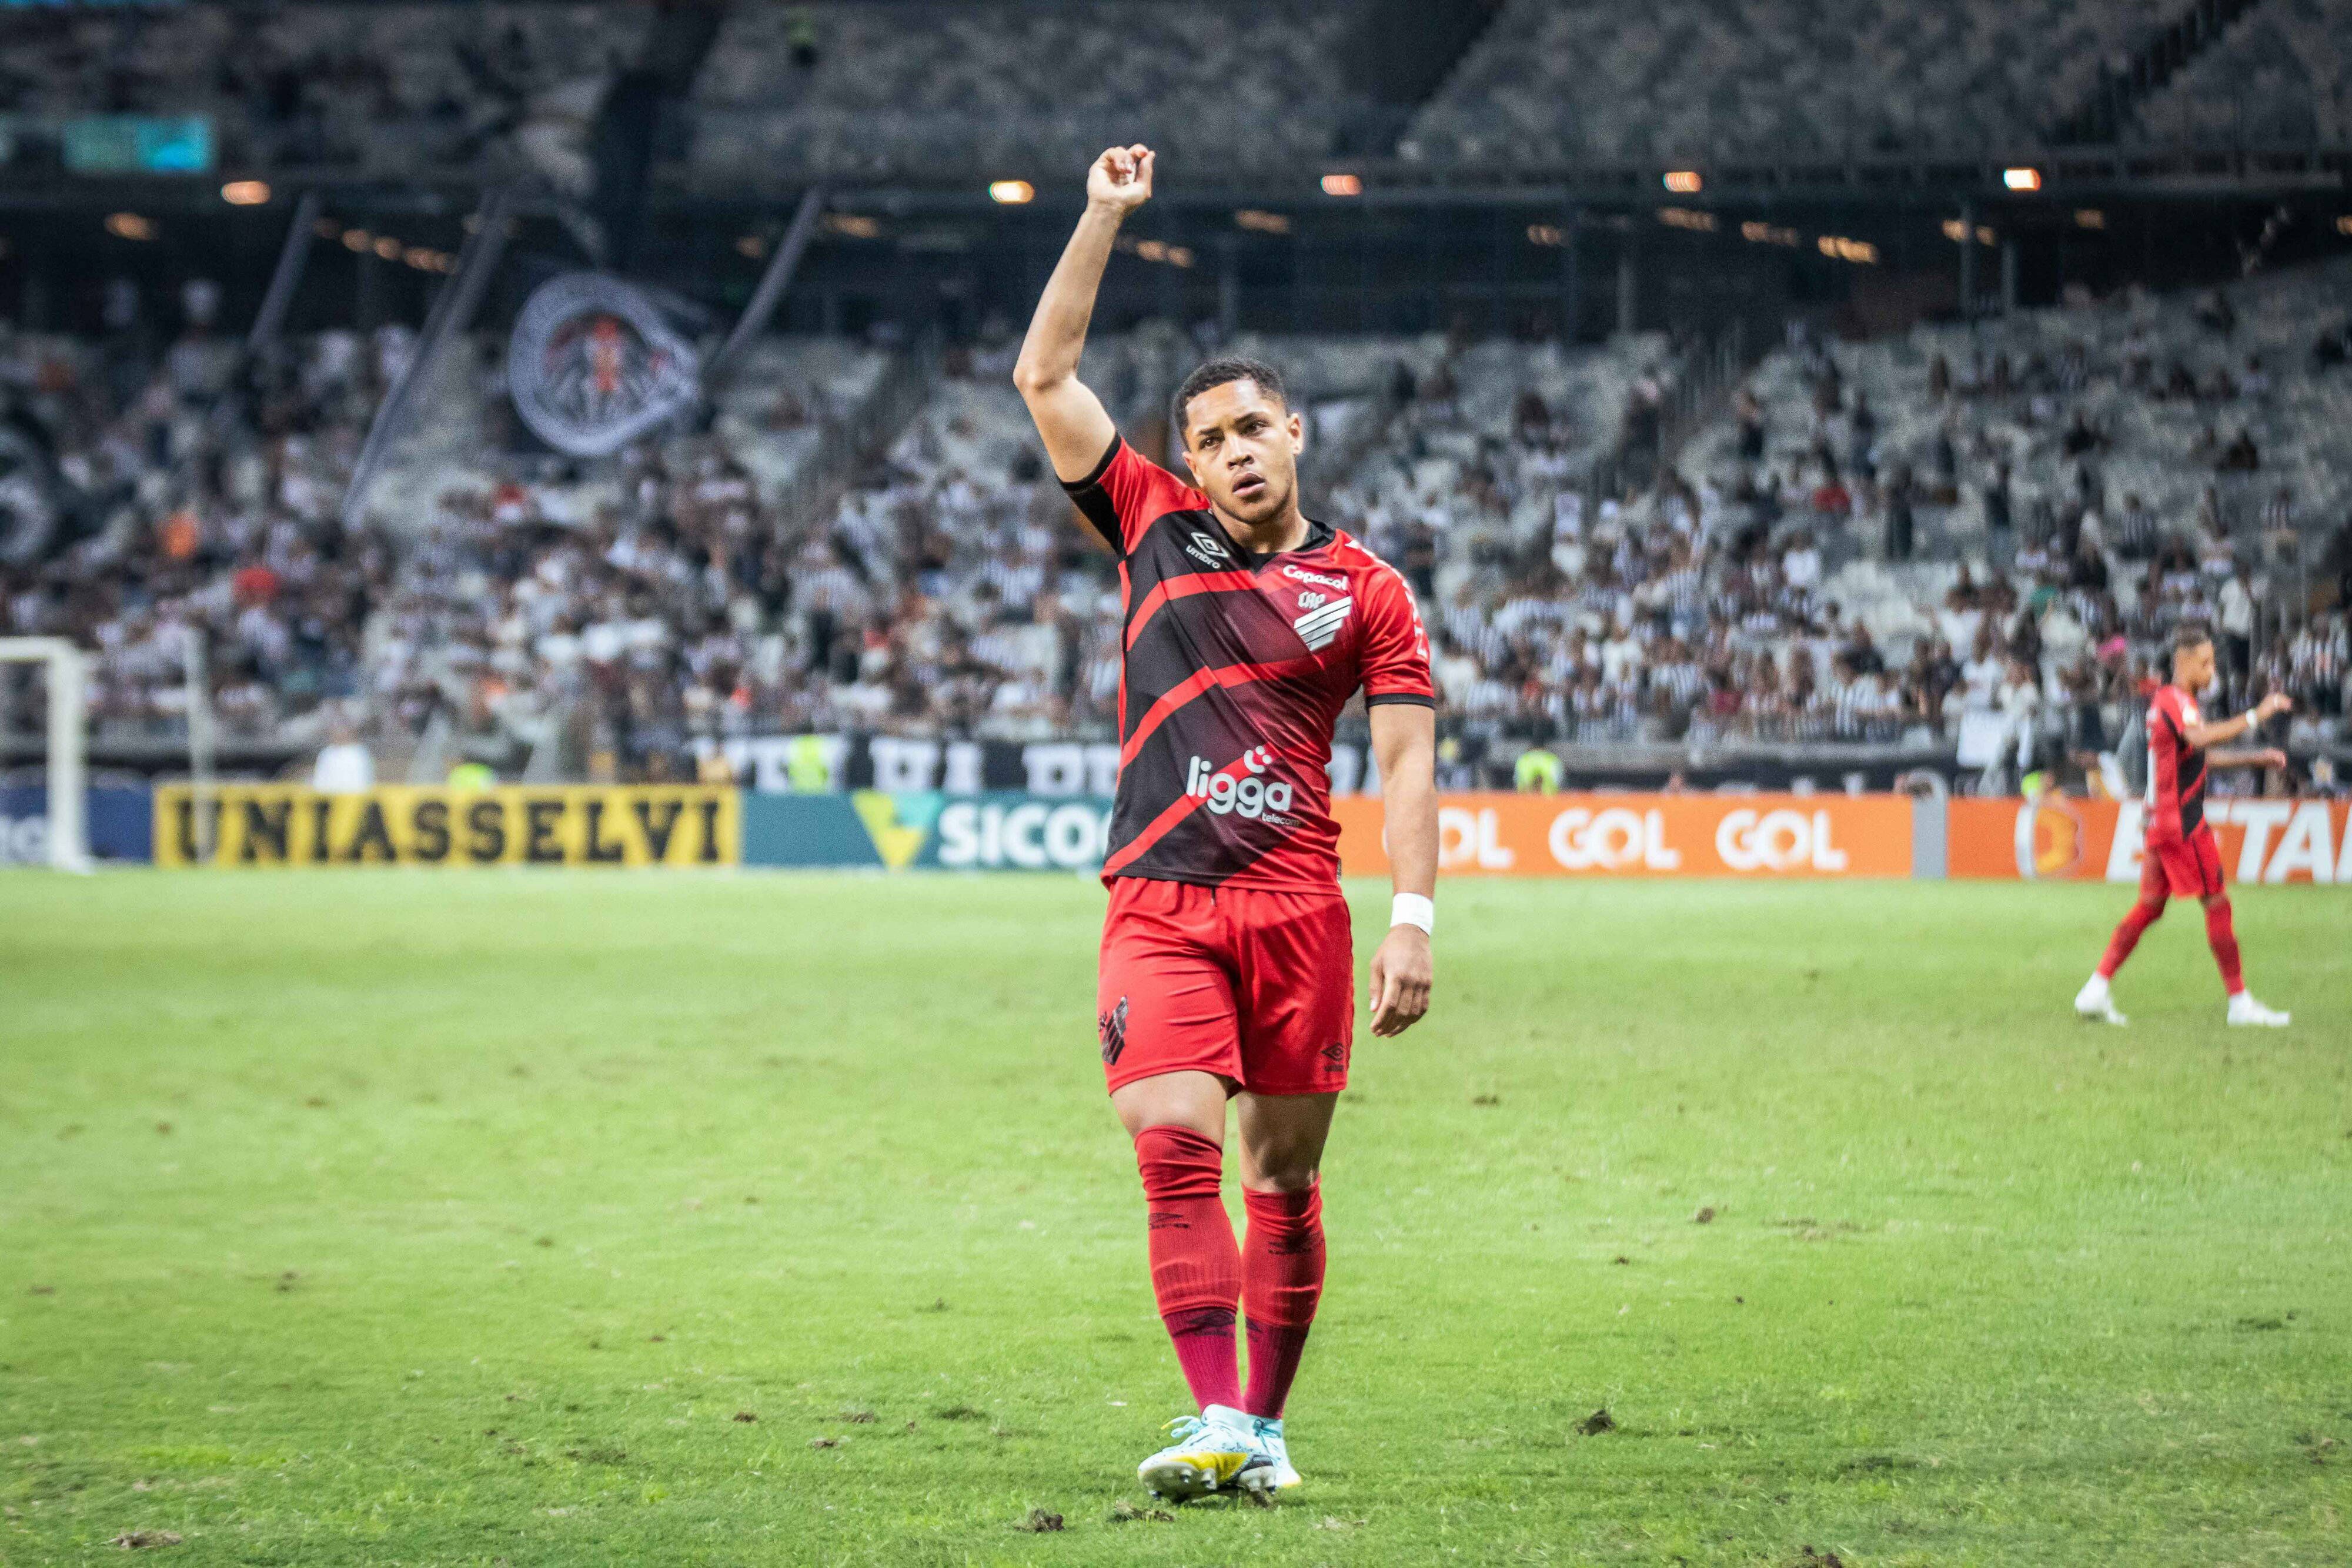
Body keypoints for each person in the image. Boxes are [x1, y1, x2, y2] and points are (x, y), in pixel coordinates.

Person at [1012, 145, 1441, 1500]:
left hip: (1300, 910)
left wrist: (1412, 919)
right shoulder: (1145, 521)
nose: (1232, 452)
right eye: (1207, 439)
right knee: (1170, 1145)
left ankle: (1257, 1425)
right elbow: (1042, 378)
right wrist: (1101, 215)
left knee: (1285, 1182)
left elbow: (1410, 760)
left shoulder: (1366, 589)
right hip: (1158, 901)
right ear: (1183, 462)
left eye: (1252, 427)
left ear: (1294, 433)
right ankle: (1215, 1412)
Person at [2075, 623, 2293, 1028]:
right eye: (2206, 663)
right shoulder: (2176, 701)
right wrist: (2254, 715)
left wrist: (2255, 759)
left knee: (2150, 907)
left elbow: (2195, 755)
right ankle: (2240, 1002)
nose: (2212, 672)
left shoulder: (2171, 701)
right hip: (2183, 824)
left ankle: (2096, 987)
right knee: (2217, 901)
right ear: (2184, 662)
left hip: (2160, 822)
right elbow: (2199, 735)